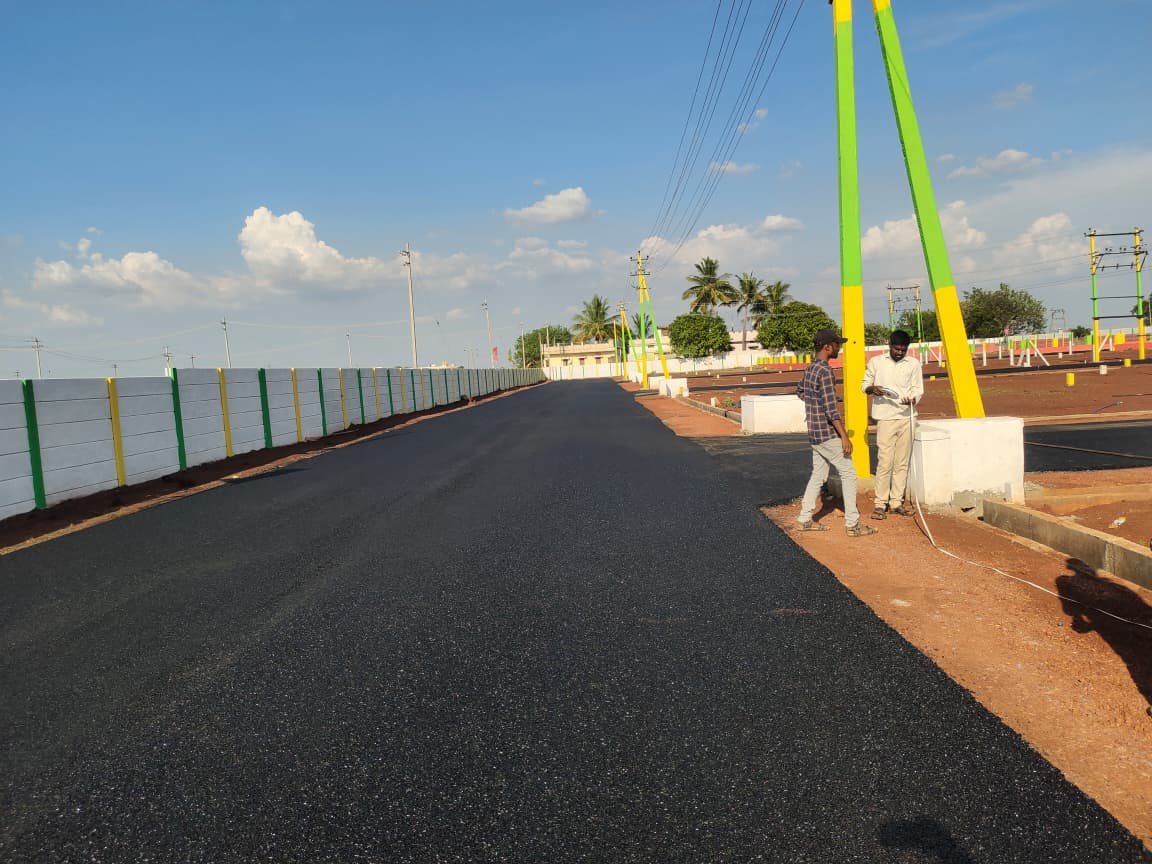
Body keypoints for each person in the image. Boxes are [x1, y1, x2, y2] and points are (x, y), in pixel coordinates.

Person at [796, 329, 877, 536]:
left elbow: (801, 391)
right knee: (848, 474)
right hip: (827, 433)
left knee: (818, 474)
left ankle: (805, 519)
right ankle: (853, 525)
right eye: (837, 345)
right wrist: (844, 436)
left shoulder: (810, 368)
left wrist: (815, 404)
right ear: (827, 347)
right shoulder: (825, 371)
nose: (839, 348)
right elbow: (831, 410)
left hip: (814, 432)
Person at [862, 329, 924, 520]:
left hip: (907, 417)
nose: (899, 352)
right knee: (885, 461)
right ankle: (880, 503)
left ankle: (896, 502)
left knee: (901, 462)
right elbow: (864, 384)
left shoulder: (913, 364)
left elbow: (918, 389)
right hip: (885, 417)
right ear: (889, 345)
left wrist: (912, 399)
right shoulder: (876, 362)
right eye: (896, 349)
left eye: (903, 350)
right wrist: (872, 388)